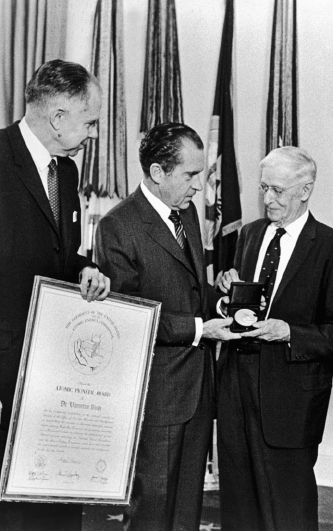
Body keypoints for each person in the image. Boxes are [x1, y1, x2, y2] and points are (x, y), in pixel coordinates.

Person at [0, 59, 110, 531]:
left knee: (53, 503)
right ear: (57, 116)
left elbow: (61, 256)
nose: (93, 132)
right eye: (90, 120)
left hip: (51, 373)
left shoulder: (67, 174)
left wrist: (88, 269)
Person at [95, 122, 240, 531]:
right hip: (156, 393)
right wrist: (199, 329)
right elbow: (125, 314)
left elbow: (190, 289)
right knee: (152, 507)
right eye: (190, 175)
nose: (199, 185)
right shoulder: (118, 226)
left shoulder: (187, 213)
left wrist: (221, 297)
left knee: (185, 509)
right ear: (158, 172)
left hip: (198, 389)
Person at [216, 146, 333, 531]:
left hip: (290, 399)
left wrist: (289, 333)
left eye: (278, 190)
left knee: (288, 509)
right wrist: (224, 298)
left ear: (305, 189)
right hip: (235, 387)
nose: (268, 199)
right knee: (238, 504)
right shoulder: (249, 235)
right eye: (264, 187)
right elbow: (242, 307)